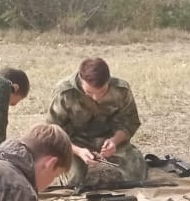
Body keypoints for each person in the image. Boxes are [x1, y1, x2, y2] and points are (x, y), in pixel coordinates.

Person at [48, 57, 145, 187]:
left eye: (102, 92)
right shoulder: (64, 93)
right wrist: (78, 151)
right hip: (74, 143)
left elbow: (128, 122)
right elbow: (54, 132)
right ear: (81, 81)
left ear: (108, 81)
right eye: (89, 93)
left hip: (108, 140)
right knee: (75, 180)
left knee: (134, 175)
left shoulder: (121, 90)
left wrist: (114, 141)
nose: (96, 97)